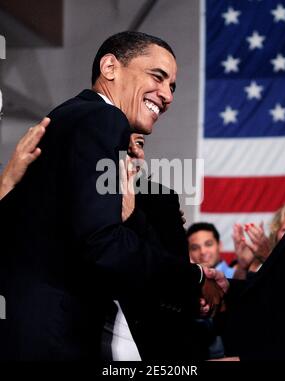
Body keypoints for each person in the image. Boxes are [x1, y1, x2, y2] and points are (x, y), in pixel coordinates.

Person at [0, 31, 227, 362]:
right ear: (110, 67)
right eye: (158, 77)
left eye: (172, 87)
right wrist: (194, 276)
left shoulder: (65, 119)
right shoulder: (102, 117)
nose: (167, 95)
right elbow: (101, 243)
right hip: (53, 335)